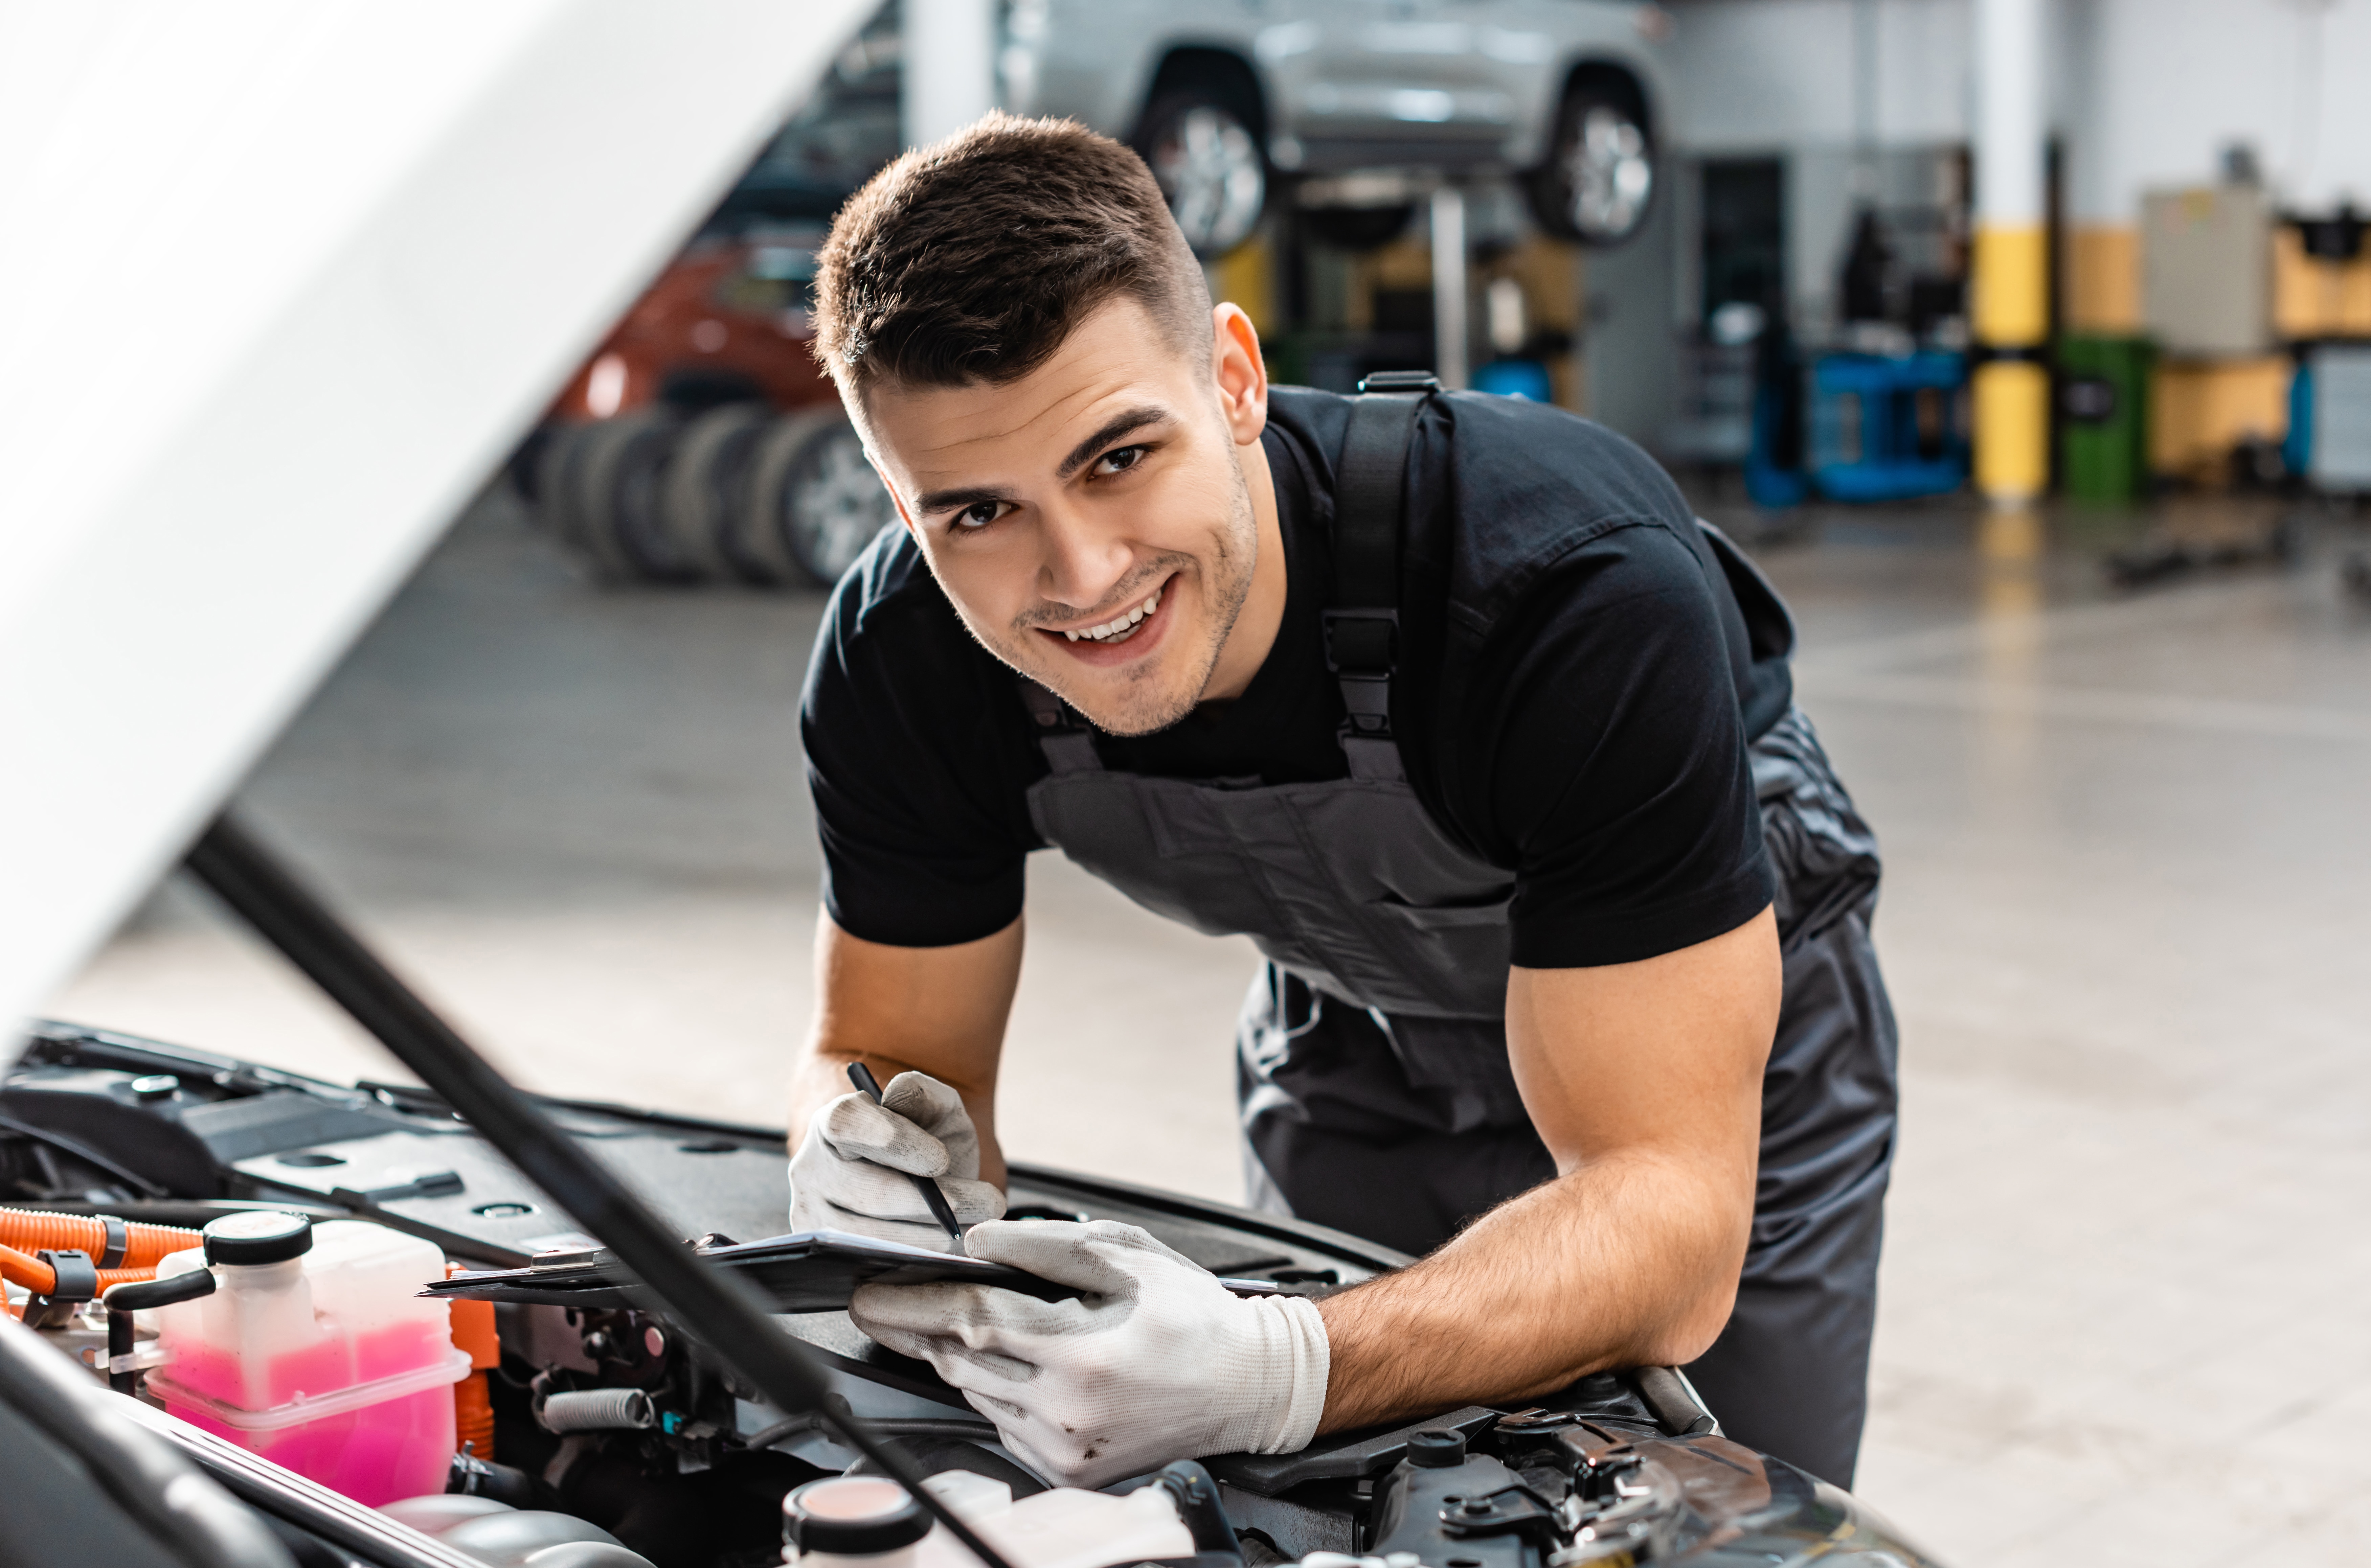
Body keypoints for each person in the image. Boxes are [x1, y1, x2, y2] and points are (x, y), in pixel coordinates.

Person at [784, 115, 1898, 1492]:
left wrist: (1278, 1367)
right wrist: (861, 1168)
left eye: (1121, 457)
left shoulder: (1562, 594)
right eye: (972, 514)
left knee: (1714, 1511)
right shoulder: (905, 659)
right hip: (1358, 1023)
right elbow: (892, 1070)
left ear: (1236, 379)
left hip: (1717, 1035)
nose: (1078, 575)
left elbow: (1666, 1232)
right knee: (1344, 1504)